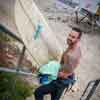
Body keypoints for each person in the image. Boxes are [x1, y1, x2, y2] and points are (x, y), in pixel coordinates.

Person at [34, 27, 82, 100]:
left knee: (38, 92)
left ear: (78, 40)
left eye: (73, 37)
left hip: (60, 82)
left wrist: (48, 70)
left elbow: (63, 75)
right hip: (64, 78)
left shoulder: (72, 56)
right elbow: (75, 64)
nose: (69, 38)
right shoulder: (75, 47)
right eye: (69, 35)